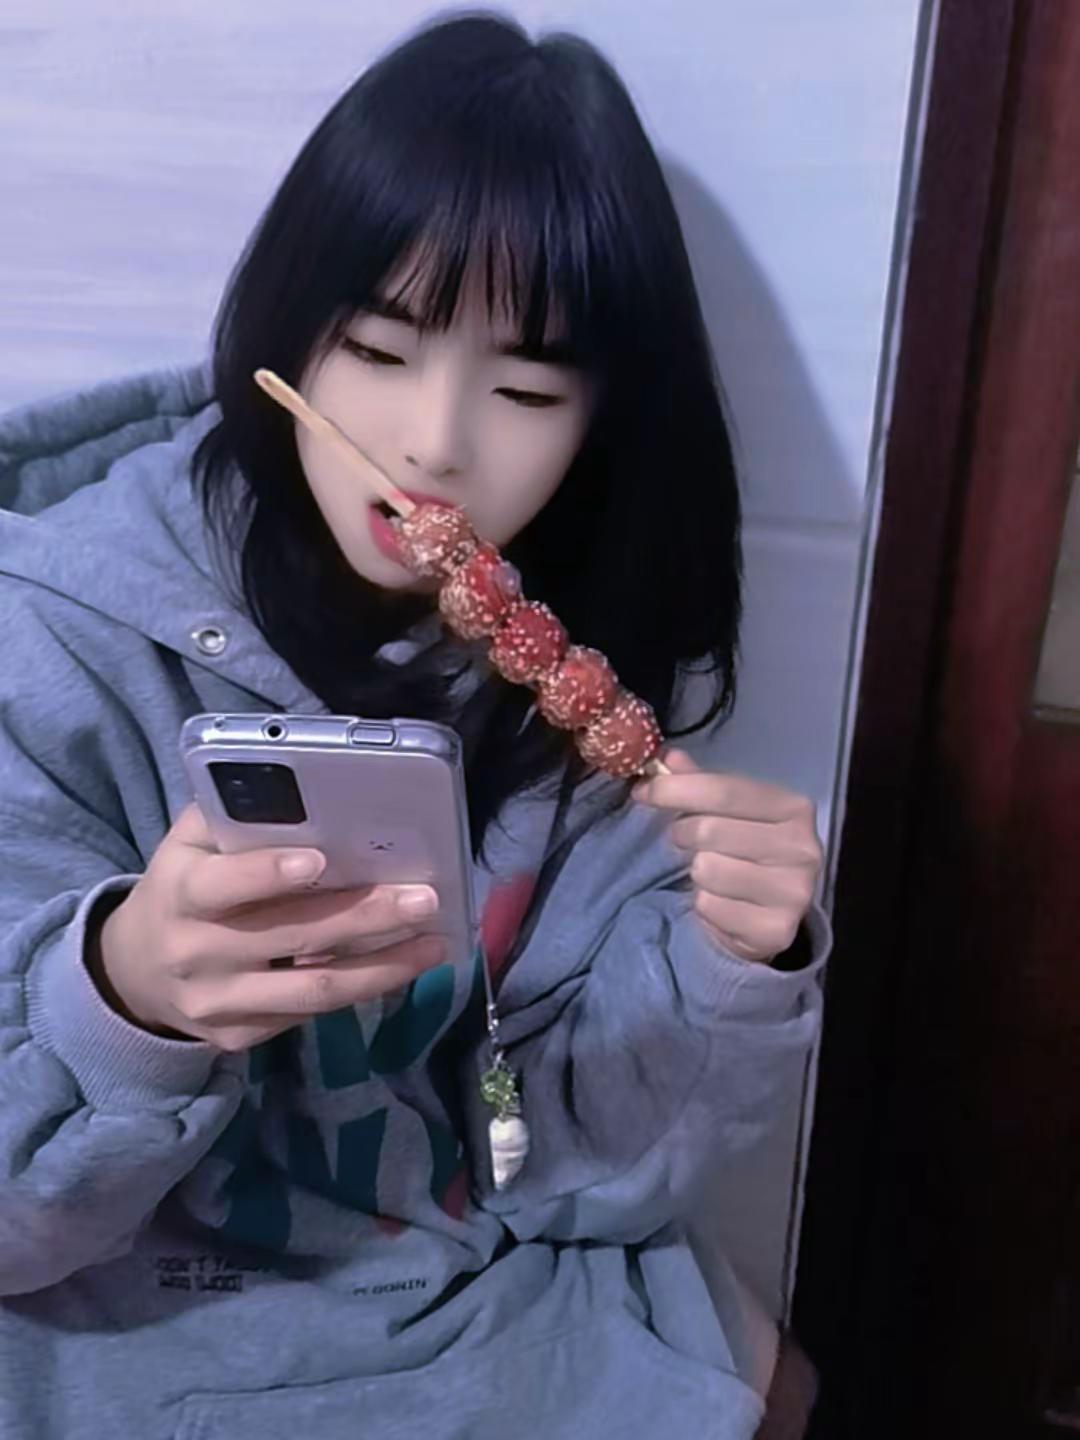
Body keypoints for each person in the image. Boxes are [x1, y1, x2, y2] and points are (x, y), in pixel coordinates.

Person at [0, 12, 829, 1438]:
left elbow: (571, 1172)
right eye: (379, 350)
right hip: (109, 1294)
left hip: (445, 1271)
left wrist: (724, 970)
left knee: (777, 1388)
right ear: (287, 346)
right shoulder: (51, 640)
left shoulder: (580, 691)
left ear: (602, 420)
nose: (436, 442)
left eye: (526, 387)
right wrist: (125, 996)